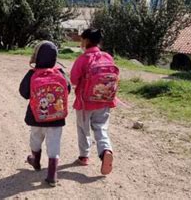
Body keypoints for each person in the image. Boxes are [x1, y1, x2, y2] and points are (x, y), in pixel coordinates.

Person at [19, 41, 71, 187]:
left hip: (36, 117)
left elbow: (23, 93)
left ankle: (35, 160)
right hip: (57, 117)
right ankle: (52, 175)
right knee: (53, 143)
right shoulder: (60, 73)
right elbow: (68, 89)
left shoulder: (32, 74)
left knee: (36, 137)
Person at [70, 28, 119, 175]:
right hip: (104, 101)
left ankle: (84, 156)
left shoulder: (83, 59)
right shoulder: (108, 57)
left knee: (83, 128)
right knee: (101, 128)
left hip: (85, 102)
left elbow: (73, 79)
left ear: (85, 41)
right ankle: (105, 151)